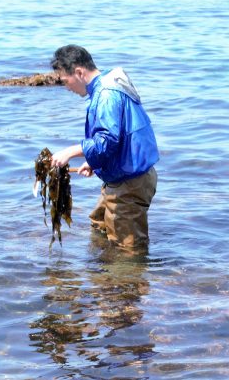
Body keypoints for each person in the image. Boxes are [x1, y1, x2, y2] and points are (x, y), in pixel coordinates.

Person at [49, 45, 160, 250]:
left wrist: (70, 151)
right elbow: (120, 136)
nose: (66, 87)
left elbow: (107, 140)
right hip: (126, 174)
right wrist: (94, 161)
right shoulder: (107, 84)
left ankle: (130, 277)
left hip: (130, 182)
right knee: (99, 224)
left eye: (65, 81)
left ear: (79, 72)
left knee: (128, 249)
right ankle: (103, 276)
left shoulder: (107, 94)